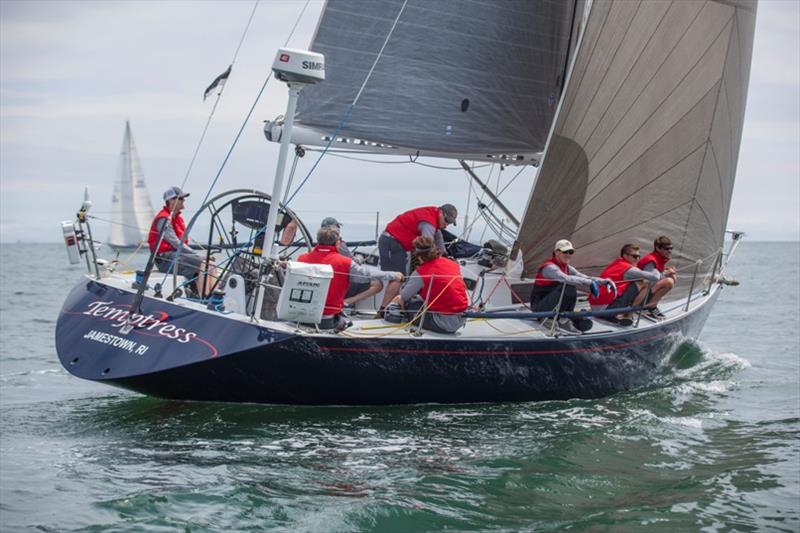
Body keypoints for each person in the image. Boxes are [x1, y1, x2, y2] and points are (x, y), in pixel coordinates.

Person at [298, 226, 403, 330]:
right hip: (326, 321)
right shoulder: (345, 262)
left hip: (299, 317)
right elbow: (365, 275)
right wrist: (393, 275)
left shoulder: (301, 258)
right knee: (348, 323)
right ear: (338, 243)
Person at [530, 239, 616, 334]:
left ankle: (564, 318)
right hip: (539, 308)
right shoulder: (549, 267)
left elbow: (584, 277)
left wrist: (604, 281)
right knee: (569, 285)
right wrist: (590, 284)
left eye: (571, 252)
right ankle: (552, 319)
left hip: (553, 305)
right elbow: (565, 278)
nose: (568, 254)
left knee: (586, 324)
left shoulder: (567, 267)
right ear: (556, 252)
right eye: (565, 252)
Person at [387, 235, 469, 333]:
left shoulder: (421, 272)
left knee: (408, 303)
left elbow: (404, 296)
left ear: (418, 255)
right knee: (419, 299)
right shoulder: (452, 264)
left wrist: (399, 297)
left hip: (441, 324)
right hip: (461, 319)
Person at [148, 186, 215, 296]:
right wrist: (198, 256)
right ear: (171, 201)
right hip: (165, 259)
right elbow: (175, 242)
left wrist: (198, 256)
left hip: (176, 256)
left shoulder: (178, 219)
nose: (183, 201)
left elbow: (181, 244)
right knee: (205, 262)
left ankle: (212, 294)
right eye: (180, 198)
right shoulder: (163, 219)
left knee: (210, 264)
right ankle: (205, 296)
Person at [320, 216, 389, 308]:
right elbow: (352, 263)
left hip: (325, 286)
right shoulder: (340, 245)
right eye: (338, 227)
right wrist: (360, 258)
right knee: (377, 284)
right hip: (339, 286)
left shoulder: (319, 246)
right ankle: (346, 302)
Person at [588, 244, 662, 325]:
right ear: (625, 256)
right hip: (607, 311)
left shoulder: (617, 263)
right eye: (634, 256)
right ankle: (629, 315)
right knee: (644, 283)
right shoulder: (629, 270)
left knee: (634, 283)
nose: (637, 259)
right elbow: (655, 277)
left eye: (638, 256)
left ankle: (624, 312)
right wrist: (655, 269)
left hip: (595, 307)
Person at [379, 204, 458, 274]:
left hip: (399, 245)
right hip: (392, 242)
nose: (446, 225)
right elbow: (426, 247)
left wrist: (445, 256)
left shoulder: (433, 216)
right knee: (396, 278)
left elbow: (438, 236)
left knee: (400, 278)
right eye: (447, 221)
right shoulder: (429, 223)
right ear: (441, 213)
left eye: (450, 223)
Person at [636, 236, 678, 319]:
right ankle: (649, 307)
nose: (669, 251)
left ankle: (651, 305)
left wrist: (668, 273)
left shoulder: (659, 258)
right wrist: (666, 274)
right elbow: (647, 280)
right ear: (657, 248)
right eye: (666, 249)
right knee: (669, 281)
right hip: (639, 294)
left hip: (645, 291)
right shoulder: (651, 261)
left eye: (671, 248)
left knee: (672, 279)